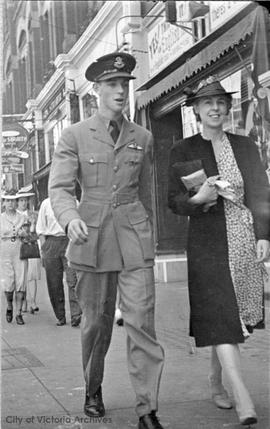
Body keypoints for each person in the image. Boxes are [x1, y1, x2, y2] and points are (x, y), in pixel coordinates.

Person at [48, 51, 165, 429]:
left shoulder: (142, 136)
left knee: (141, 322)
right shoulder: (75, 135)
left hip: (134, 236)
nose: (120, 90)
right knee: (96, 323)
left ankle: (147, 408)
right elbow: (60, 189)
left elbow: (147, 193)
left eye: (124, 84)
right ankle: (92, 387)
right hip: (91, 238)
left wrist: (152, 241)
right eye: (112, 84)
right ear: (96, 90)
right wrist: (69, 220)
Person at [168, 75, 270, 427]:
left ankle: (215, 380)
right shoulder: (182, 150)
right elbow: (174, 201)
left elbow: (260, 193)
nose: (214, 108)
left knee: (227, 317)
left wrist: (264, 235)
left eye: (220, 102)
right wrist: (197, 199)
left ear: (228, 107)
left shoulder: (245, 146)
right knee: (222, 316)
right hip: (208, 246)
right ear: (195, 109)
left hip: (243, 240)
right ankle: (243, 398)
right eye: (207, 103)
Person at [36, 197, 82, 327]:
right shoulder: (45, 203)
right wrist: (44, 249)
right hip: (51, 242)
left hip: (69, 240)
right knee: (54, 282)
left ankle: (76, 315)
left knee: (73, 280)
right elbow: (40, 229)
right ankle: (60, 316)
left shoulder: (74, 202)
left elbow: (78, 223)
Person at [0, 189, 28, 325]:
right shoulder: (0, 218)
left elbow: (29, 234)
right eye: (7, 200)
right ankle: (9, 306)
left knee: (21, 281)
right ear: (3, 203)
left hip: (20, 251)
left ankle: (19, 313)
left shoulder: (22, 217)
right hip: (5, 251)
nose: (10, 203)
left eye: (12, 200)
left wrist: (25, 233)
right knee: (8, 283)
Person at [17, 187, 41, 314]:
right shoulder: (14, 216)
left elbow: (38, 231)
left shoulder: (34, 215)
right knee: (22, 276)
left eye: (25, 200)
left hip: (32, 247)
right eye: (21, 200)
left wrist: (33, 225)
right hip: (20, 248)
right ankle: (25, 302)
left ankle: (33, 302)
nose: (23, 203)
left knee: (32, 276)